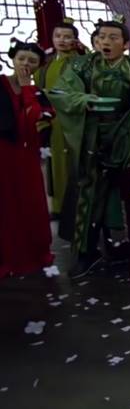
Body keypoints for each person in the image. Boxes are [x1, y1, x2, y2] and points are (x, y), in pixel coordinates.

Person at [47, 19, 130, 278]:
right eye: (101, 37)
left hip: (128, 136)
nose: (105, 42)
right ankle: (86, 252)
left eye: (113, 37)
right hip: (91, 137)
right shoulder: (82, 65)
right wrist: (83, 99)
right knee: (89, 195)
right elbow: (61, 91)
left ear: (126, 44)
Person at [0, 40, 54, 278]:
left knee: (31, 200)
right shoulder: (0, 84)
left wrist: (26, 88)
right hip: (3, 150)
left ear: (38, 66)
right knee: (5, 202)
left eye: (32, 61)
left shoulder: (37, 92)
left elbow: (33, 120)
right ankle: (6, 257)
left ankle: (35, 252)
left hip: (27, 153)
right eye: (21, 58)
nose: (25, 64)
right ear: (13, 59)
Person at [34, 18, 83, 221]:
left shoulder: (80, 62)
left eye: (67, 37)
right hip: (53, 119)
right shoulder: (46, 65)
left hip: (74, 119)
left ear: (75, 40)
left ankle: (77, 206)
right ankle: (58, 206)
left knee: (74, 163)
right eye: (58, 36)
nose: (62, 40)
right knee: (55, 163)